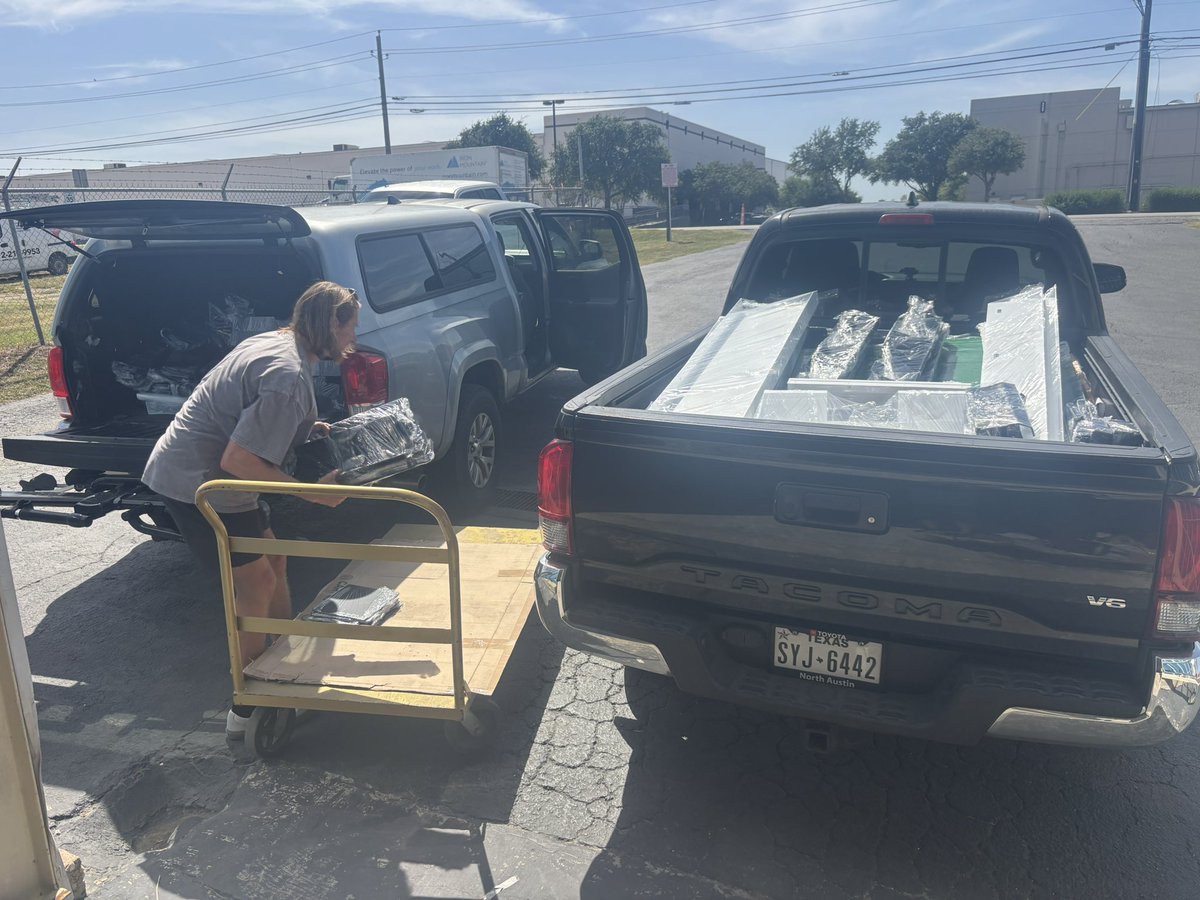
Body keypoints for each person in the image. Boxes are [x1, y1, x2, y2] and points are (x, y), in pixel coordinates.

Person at [142, 281, 360, 738]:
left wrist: (306, 426)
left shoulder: (277, 342)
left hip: (213, 477)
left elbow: (251, 413)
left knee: (275, 560)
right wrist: (311, 492)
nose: (352, 338)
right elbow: (238, 460)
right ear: (331, 324)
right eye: (350, 327)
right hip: (198, 484)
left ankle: (283, 659)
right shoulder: (288, 377)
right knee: (256, 579)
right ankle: (249, 700)